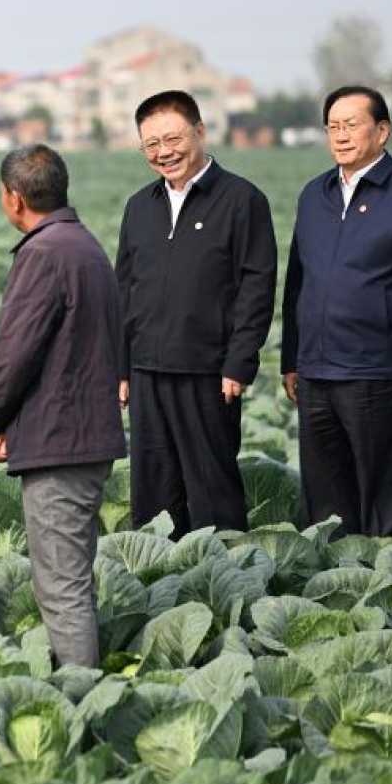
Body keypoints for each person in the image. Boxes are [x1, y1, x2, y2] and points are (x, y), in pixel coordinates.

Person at [281, 85, 392, 536]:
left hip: (376, 371)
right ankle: (333, 576)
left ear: (382, 131)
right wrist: (291, 359)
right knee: (325, 495)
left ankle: (391, 575)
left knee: (383, 495)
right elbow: (297, 281)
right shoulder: (313, 195)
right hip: (316, 372)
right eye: (333, 127)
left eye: (351, 125)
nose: (341, 136)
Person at [0, 144, 126, 668]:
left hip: (57, 441)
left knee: (61, 587)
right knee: (75, 578)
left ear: (14, 198)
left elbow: (13, 352)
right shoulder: (85, 244)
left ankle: (80, 701)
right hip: (89, 437)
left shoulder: (43, 253)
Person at [115, 90, 277, 536]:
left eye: (172, 138)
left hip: (209, 372)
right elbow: (123, 289)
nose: (163, 152)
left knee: (211, 488)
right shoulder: (139, 206)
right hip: (146, 370)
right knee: (152, 490)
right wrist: (120, 366)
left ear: (200, 132)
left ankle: (224, 578)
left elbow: (256, 287)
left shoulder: (242, 200)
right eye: (151, 145)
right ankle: (158, 585)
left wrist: (239, 361)